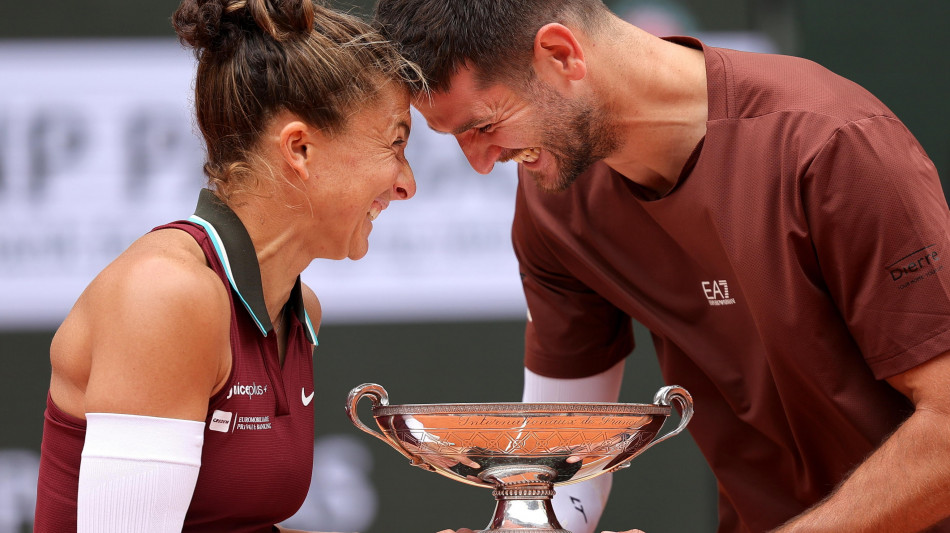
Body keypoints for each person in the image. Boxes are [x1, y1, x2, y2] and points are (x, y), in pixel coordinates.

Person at [372, 1, 950, 532]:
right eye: (456, 138)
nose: (479, 162)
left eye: (485, 125)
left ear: (560, 55)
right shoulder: (554, 198)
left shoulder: (830, 143)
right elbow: (563, 466)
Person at [32, 0, 421, 531]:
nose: (407, 183)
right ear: (300, 148)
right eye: (396, 144)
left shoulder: (299, 309)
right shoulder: (166, 293)